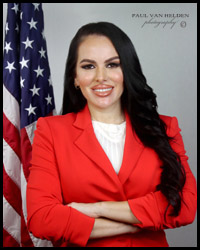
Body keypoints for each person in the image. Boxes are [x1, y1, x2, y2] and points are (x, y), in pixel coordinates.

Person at [26, 22, 197, 247]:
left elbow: (185, 207)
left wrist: (97, 209)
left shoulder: (165, 127)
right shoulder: (51, 131)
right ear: (75, 78)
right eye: (88, 66)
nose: (101, 77)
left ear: (127, 70)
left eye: (112, 64)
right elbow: (42, 219)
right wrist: (142, 220)